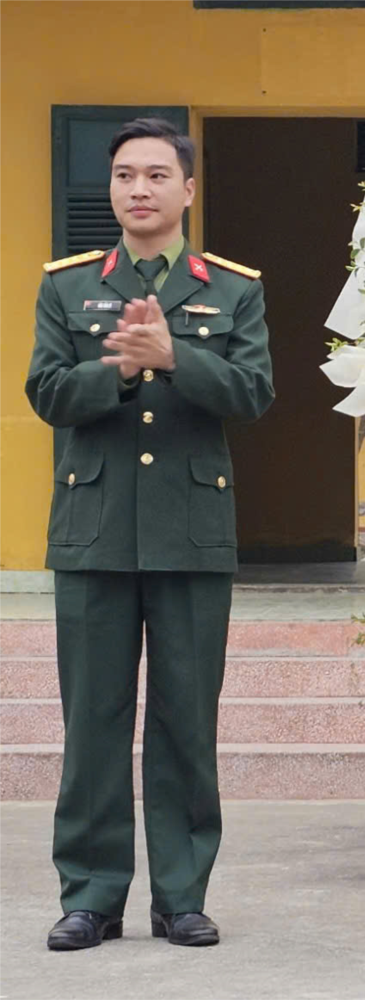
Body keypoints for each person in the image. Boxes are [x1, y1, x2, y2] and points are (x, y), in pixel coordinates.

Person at [26, 118, 274, 950]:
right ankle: (91, 897)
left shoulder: (233, 289)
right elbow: (47, 394)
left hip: (191, 532)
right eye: (125, 175)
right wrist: (122, 370)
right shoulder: (68, 286)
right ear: (111, 189)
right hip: (93, 530)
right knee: (93, 723)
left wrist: (175, 359)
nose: (140, 189)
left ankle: (182, 896)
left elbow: (253, 394)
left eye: (158, 175)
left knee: (185, 723)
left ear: (188, 189)